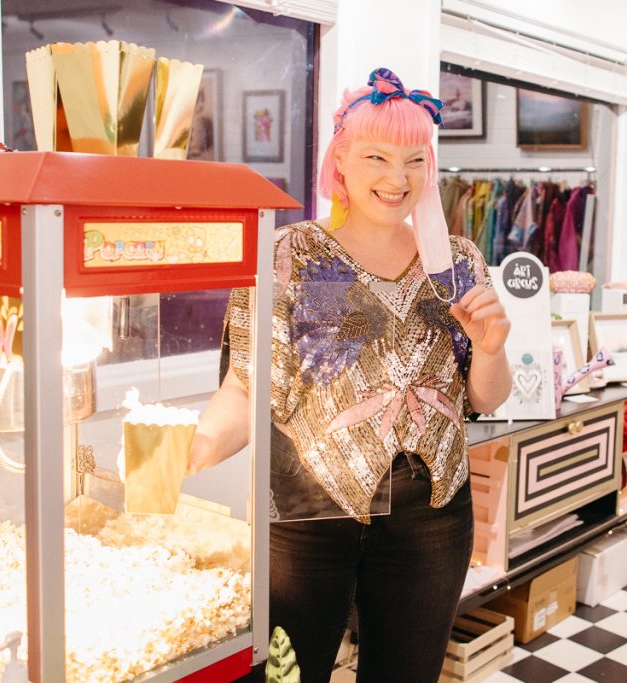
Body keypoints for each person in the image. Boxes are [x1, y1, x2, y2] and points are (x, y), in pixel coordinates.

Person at [188, 67, 512, 683]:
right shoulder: (291, 256)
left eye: (415, 160)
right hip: (307, 512)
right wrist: (194, 446)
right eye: (377, 157)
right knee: (287, 674)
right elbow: (246, 386)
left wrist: (492, 349)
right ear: (340, 159)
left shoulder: (458, 264)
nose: (398, 179)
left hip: (433, 512)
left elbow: (484, 398)